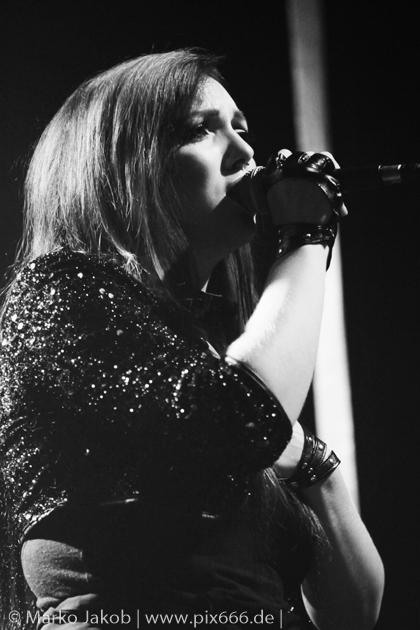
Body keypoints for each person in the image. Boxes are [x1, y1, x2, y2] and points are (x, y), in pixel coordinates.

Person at [0, 49, 384, 630]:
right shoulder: (60, 288)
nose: (246, 152)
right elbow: (240, 421)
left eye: (241, 128)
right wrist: (307, 235)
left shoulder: (219, 358)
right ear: (120, 166)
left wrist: (314, 466)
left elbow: (355, 612)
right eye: (201, 129)